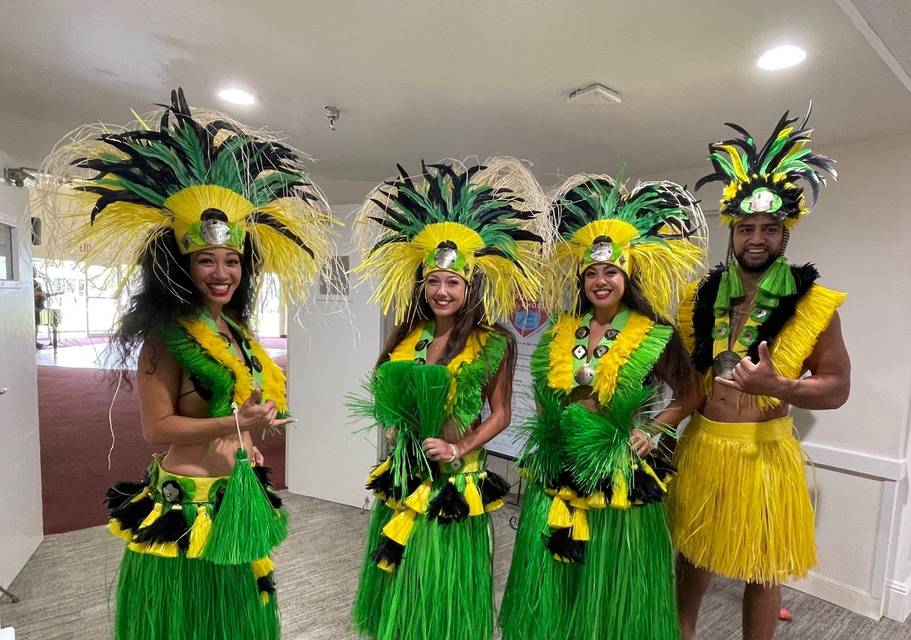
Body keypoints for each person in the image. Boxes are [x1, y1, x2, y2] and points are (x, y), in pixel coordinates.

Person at [36, 88, 339, 640]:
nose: (222, 272)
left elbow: (240, 403)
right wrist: (237, 424)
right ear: (180, 266)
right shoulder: (165, 338)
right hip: (188, 505)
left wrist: (260, 422)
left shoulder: (237, 333)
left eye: (232, 260)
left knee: (239, 622)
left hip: (238, 499)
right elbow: (156, 429)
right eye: (206, 260)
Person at [669, 106, 851, 640]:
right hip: (703, 447)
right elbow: (688, 381)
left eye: (769, 228)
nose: (756, 238)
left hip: (766, 453)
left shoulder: (814, 305)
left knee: (763, 569)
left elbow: (838, 388)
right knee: (692, 562)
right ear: (731, 230)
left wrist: (780, 386)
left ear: (785, 232)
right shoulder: (700, 299)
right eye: (746, 226)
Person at [499, 175, 706, 640]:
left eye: (611, 271)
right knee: (556, 571)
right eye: (591, 273)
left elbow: (692, 395)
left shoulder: (656, 333)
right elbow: (544, 393)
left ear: (627, 276)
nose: (600, 280)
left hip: (618, 470)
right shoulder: (560, 330)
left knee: (610, 579)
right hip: (560, 466)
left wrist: (653, 428)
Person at [349, 158, 548, 640]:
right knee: (403, 578)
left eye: (453, 282)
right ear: (422, 282)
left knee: (443, 586)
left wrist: (458, 448)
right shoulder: (407, 337)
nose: (442, 290)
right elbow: (387, 399)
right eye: (434, 281)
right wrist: (397, 428)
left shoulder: (494, 341)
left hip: (456, 478)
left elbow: (500, 413)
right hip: (407, 473)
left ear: (469, 285)